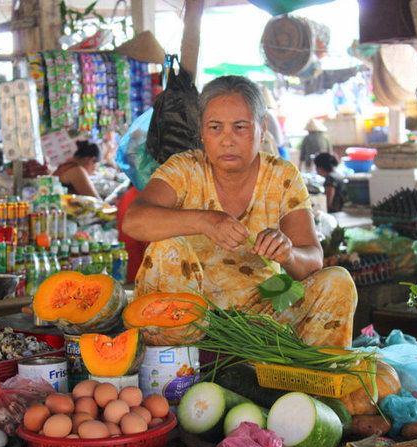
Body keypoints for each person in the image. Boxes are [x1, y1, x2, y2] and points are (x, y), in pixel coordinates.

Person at [122, 75, 357, 347]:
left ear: (262, 127)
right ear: (201, 131)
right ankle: (177, 366)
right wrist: (205, 221)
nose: (227, 140)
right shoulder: (184, 169)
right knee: (166, 248)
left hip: (261, 321)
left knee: (337, 281)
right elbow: (134, 221)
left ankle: (312, 382)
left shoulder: (282, 176)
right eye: (215, 127)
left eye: (240, 127)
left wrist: (288, 253)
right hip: (189, 320)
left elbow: (312, 260)